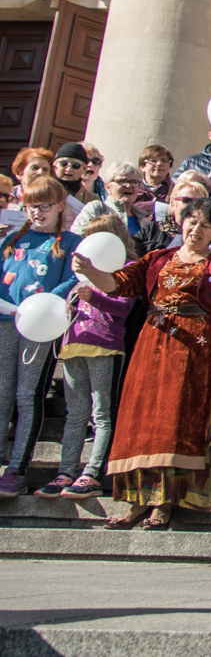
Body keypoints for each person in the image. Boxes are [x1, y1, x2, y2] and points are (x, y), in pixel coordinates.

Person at [72, 199, 211, 527]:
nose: (196, 229)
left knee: (176, 424)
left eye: (205, 225)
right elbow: (118, 284)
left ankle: (164, 502)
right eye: (191, 221)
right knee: (143, 421)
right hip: (152, 345)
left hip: (194, 350)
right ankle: (138, 500)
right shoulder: (157, 258)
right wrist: (90, 272)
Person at [34, 215, 137, 499]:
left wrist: (94, 296)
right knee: (75, 414)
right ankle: (65, 471)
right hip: (73, 345)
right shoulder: (79, 273)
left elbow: (122, 309)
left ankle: (92, 473)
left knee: (101, 413)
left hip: (105, 346)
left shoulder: (126, 270)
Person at [0, 177, 83, 497]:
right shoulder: (12, 239)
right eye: (31, 206)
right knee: (3, 393)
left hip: (40, 326)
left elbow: (72, 280)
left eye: (44, 206)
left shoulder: (70, 242)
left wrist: (44, 305)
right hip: (7, 321)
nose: (37, 212)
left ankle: (17, 467)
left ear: (61, 205)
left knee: (27, 394)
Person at [72, 161, 150, 239]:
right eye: (122, 181)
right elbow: (76, 238)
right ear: (108, 187)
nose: (128, 186)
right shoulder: (97, 209)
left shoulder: (143, 219)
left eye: (134, 182)